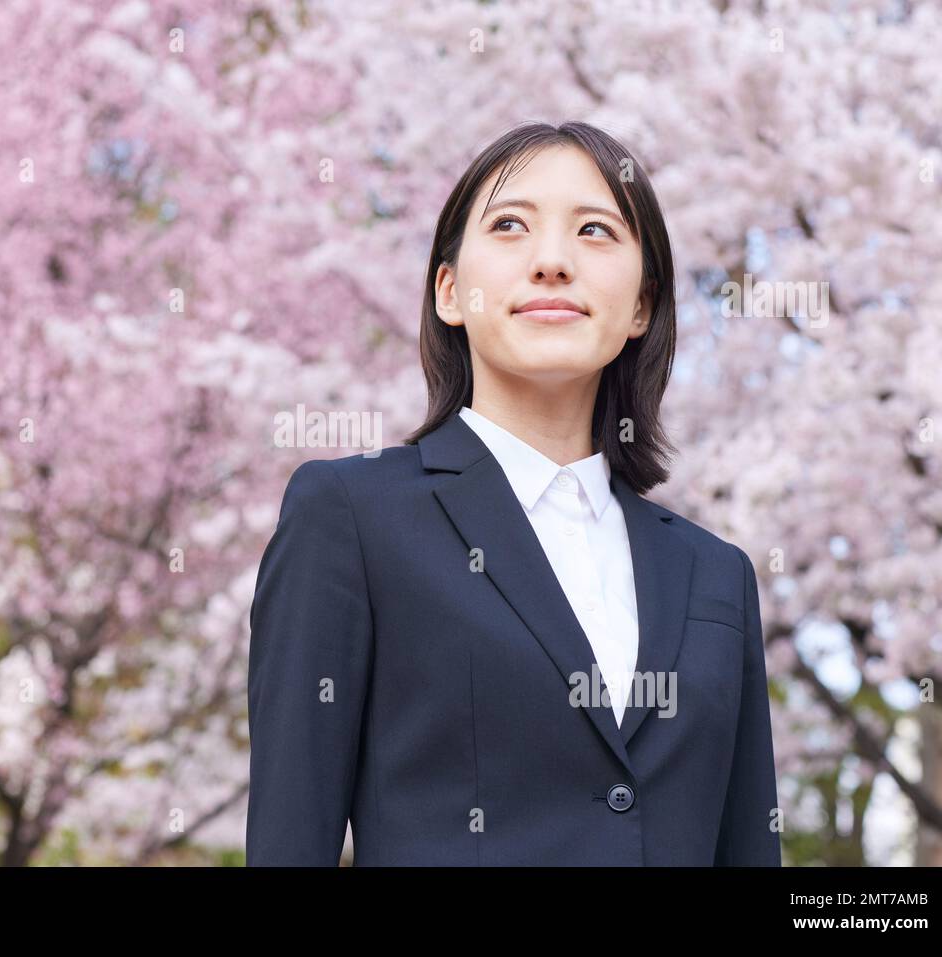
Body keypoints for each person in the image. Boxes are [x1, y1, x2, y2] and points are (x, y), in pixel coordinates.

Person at [245, 120, 781, 866]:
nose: (553, 261)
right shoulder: (351, 517)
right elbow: (289, 840)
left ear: (642, 307)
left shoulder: (717, 575)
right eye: (509, 226)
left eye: (595, 231)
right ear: (450, 292)